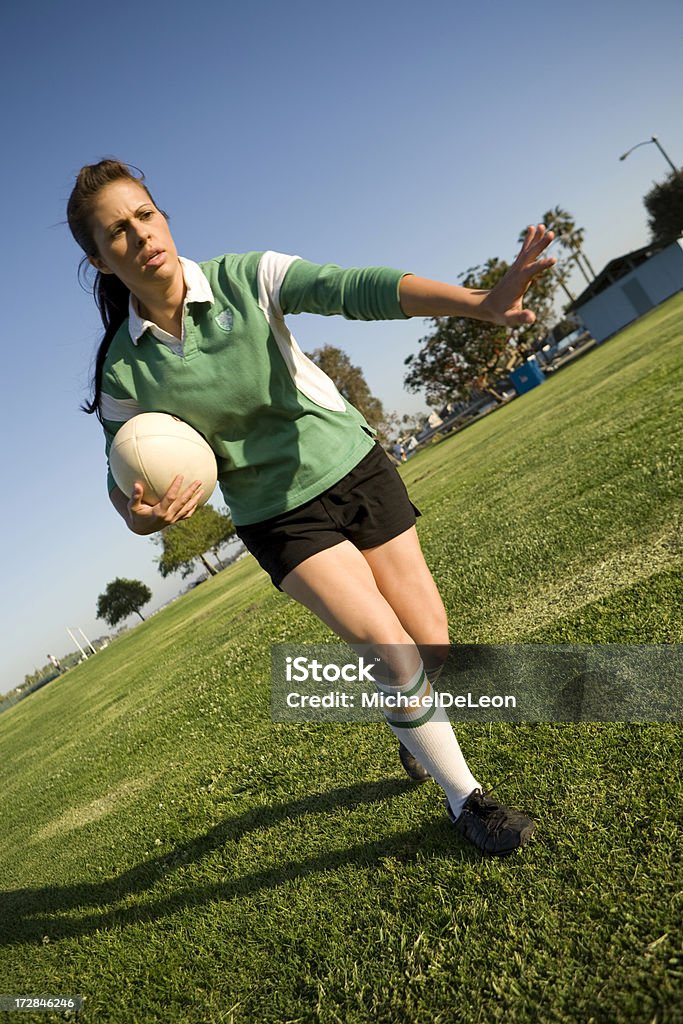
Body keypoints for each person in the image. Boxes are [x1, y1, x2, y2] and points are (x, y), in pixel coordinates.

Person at [67, 159, 556, 856]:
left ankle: (407, 728)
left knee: (430, 642)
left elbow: (351, 288)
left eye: (145, 214)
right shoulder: (123, 368)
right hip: (276, 514)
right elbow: (123, 480)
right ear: (101, 260)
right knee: (386, 646)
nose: (140, 234)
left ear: (164, 219)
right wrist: (141, 516)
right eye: (118, 231)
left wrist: (478, 302)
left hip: (350, 464)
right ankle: (466, 800)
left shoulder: (245, 276)